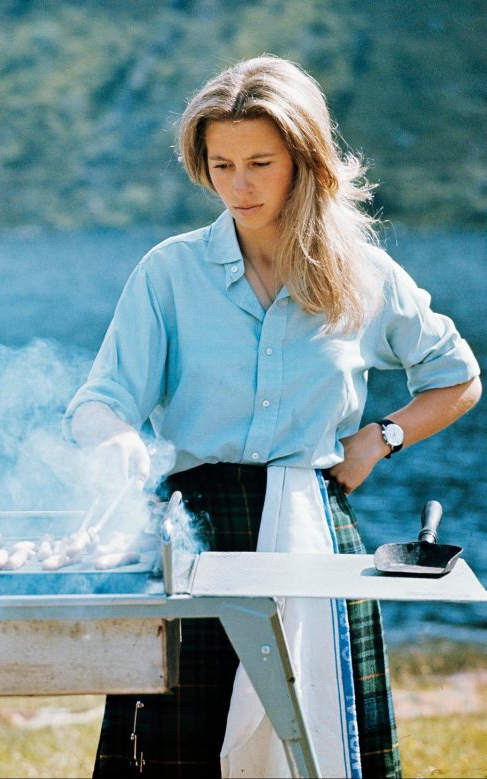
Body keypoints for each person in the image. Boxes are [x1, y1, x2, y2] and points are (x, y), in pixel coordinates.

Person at [65, 55, 481, 778]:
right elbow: (98, 403)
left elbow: (458, 379)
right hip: (194, 534)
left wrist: (379, 439)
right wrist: (121, 442)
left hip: (318, 533)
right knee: (176, 756)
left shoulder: (365, 274)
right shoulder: (169, 272)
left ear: (305, 160)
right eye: (221, 164)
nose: (239, 185)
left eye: (259, 161)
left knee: (318, 752)